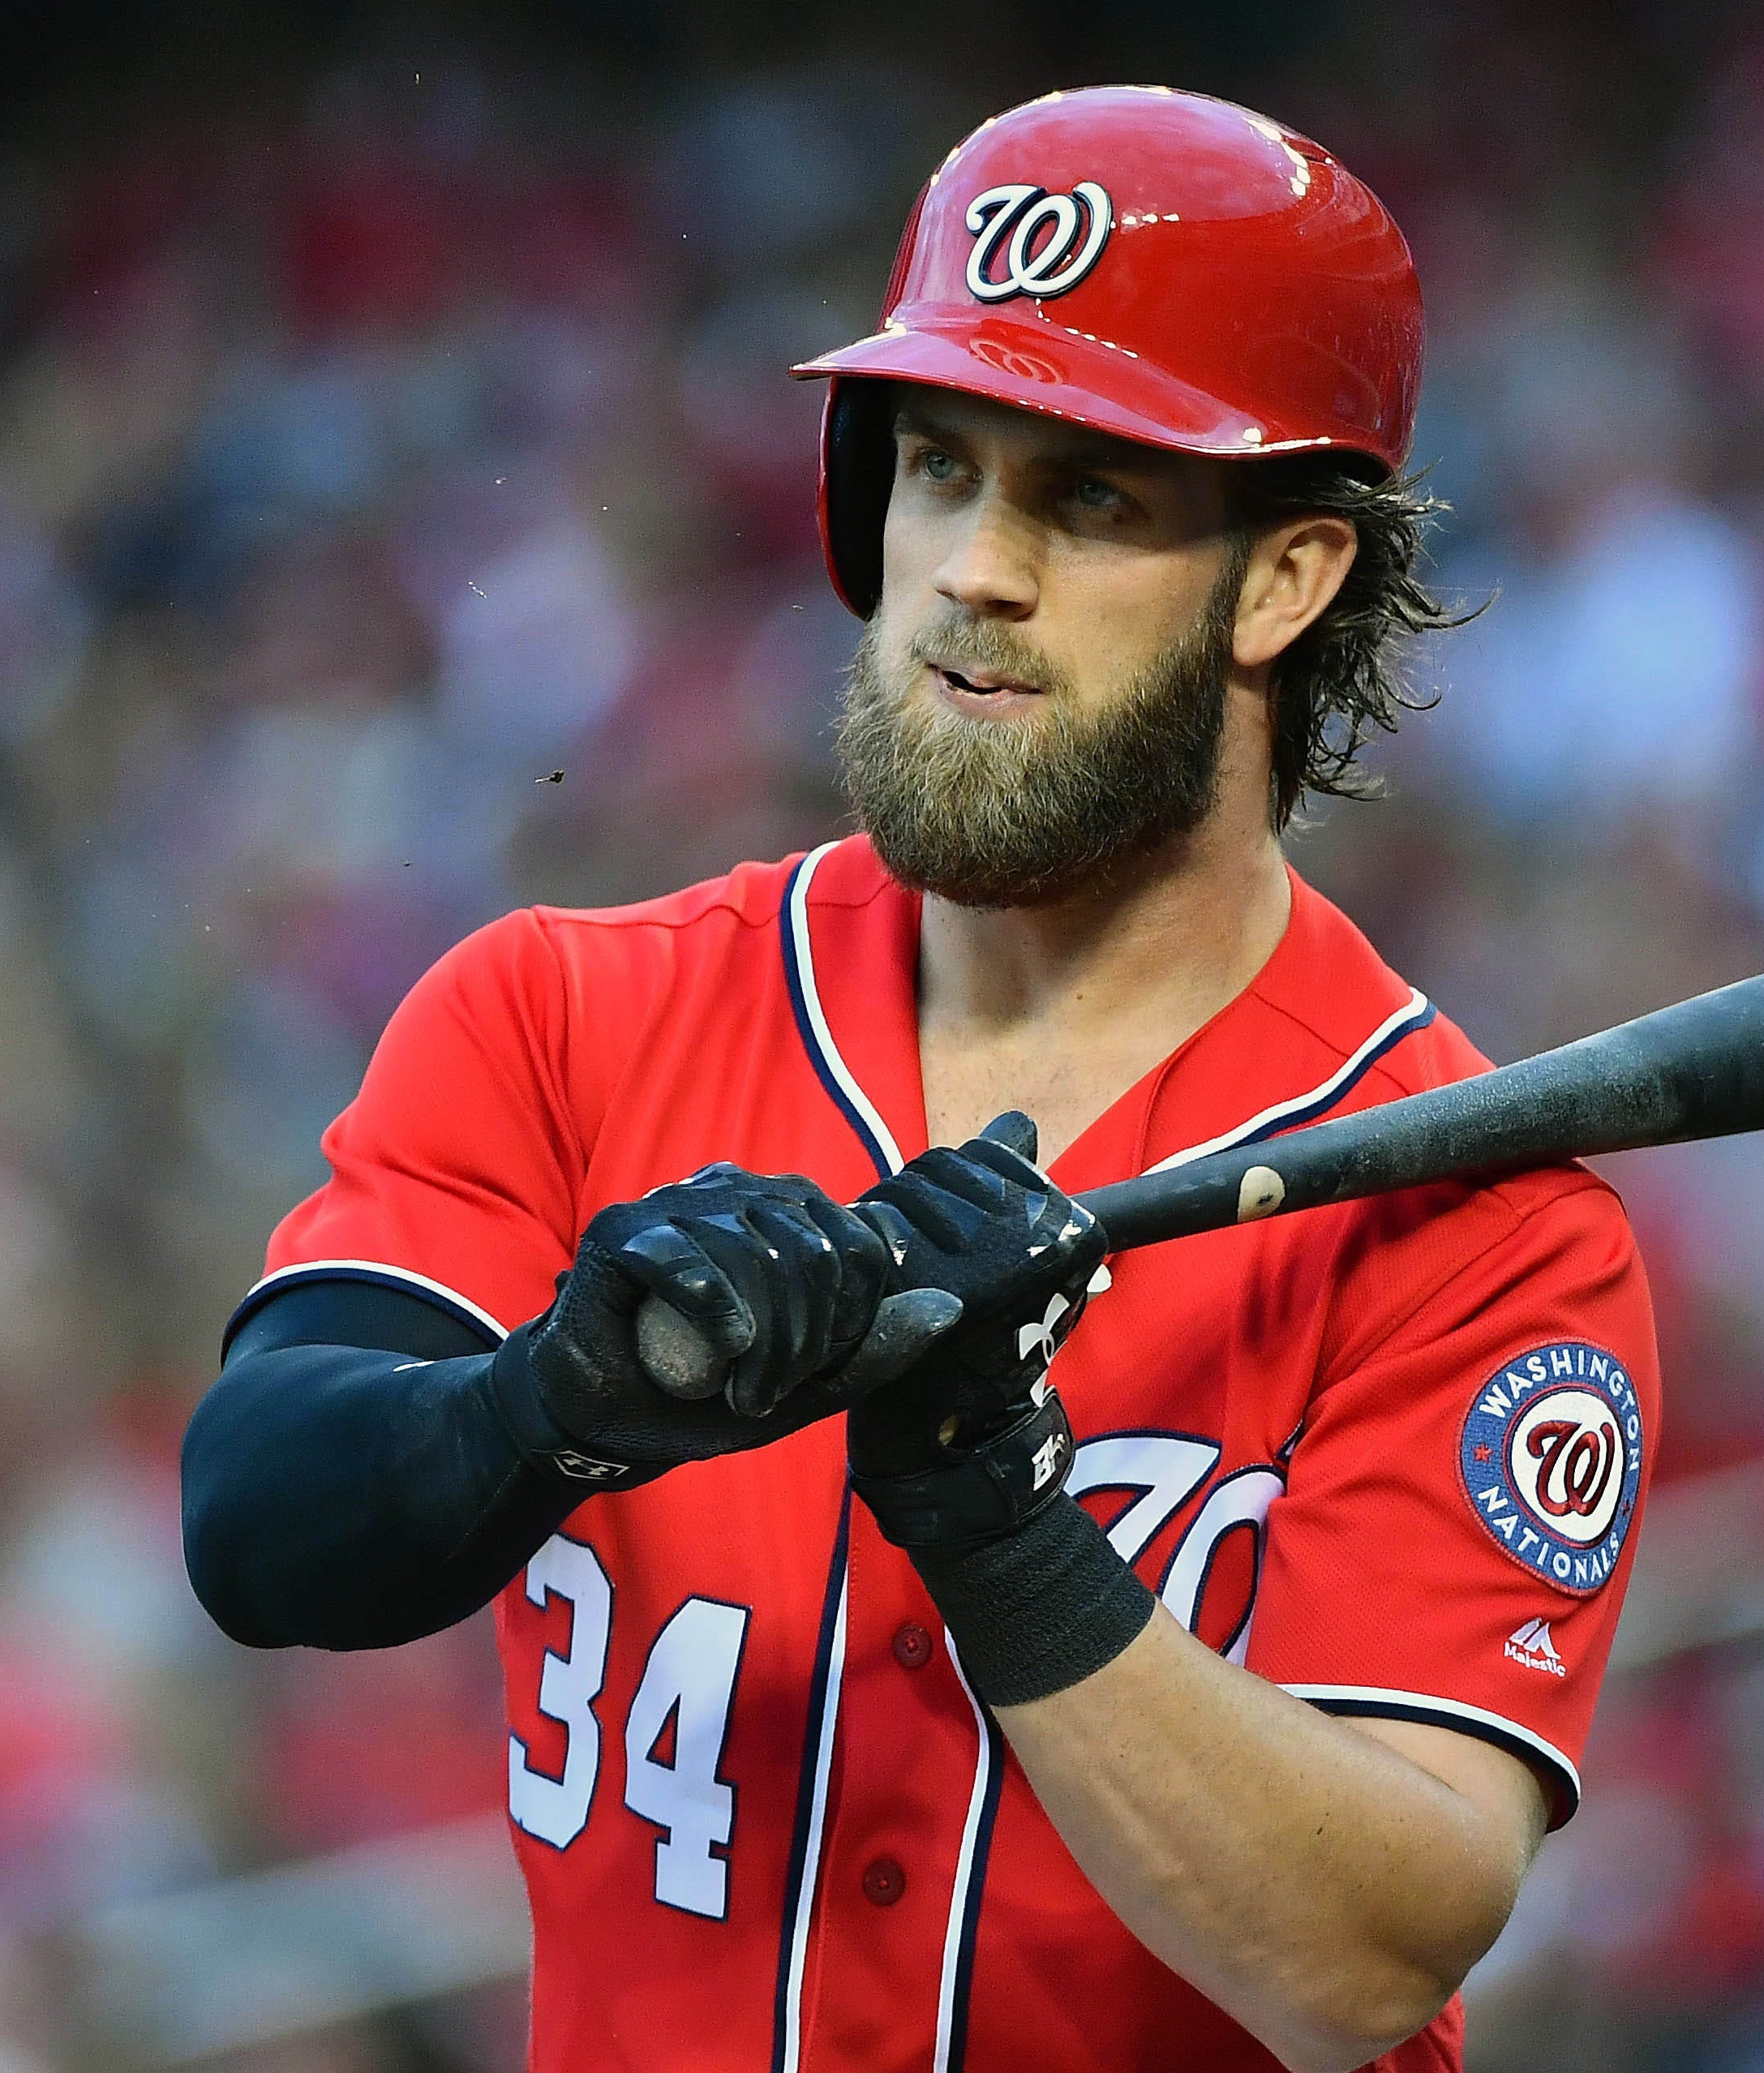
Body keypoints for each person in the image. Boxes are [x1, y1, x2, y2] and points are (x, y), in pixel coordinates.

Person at [181, 84, 1659, 2073]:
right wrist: (551, 1406)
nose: (974, 566)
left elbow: (1360, 1963)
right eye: (942, 466)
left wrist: (998, 1517)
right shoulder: (561, 1015)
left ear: (1287, 579)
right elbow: (260, 1521)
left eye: (1091, 499)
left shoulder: (1469, 1215)